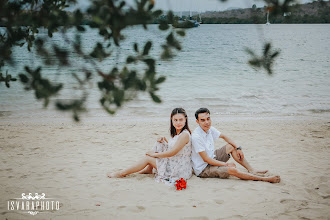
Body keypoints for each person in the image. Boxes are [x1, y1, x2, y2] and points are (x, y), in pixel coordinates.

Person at [192, 108, 280, 183]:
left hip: (212, 157)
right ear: (197, 121)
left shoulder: (209, 129)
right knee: (232, 170)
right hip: (204, 168)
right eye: (202, 120)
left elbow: (224, 136)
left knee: (231, 146)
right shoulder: (196, 136)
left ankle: (251, 169)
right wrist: (226, 165)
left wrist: (238, 148)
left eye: (208, 119)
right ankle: (264, 179)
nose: (207, 122)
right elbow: (206, 159)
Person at [107, 108, 193, 185]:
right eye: (175, 120)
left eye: (181, 120)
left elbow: (172, 152)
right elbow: (174, 147)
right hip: (175, 163)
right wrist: (164, 141)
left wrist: (153, 154)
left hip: (179, 170)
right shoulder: (178, 134)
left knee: (147, 158)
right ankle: (149, 168)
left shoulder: (184, 135)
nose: (178, 123)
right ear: (172, 120)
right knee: (159, 143)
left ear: (185, 119)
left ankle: (122, 173)